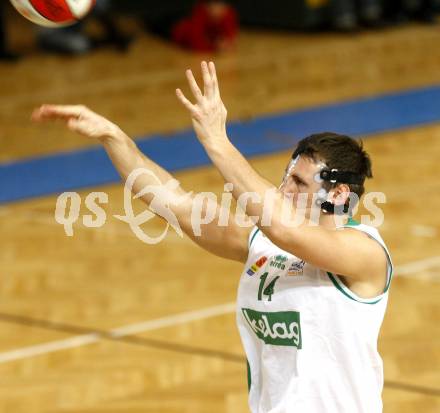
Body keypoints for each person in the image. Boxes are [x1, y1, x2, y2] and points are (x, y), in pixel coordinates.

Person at [32, 61, 392, 413]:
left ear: (340, 194)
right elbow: (174, 202)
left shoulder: (365, 253)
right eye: (286, 176)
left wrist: (218, 142)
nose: (283, 188)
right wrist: (114, 136)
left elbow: (283, 227)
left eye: (298, 182)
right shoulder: (262, 243)